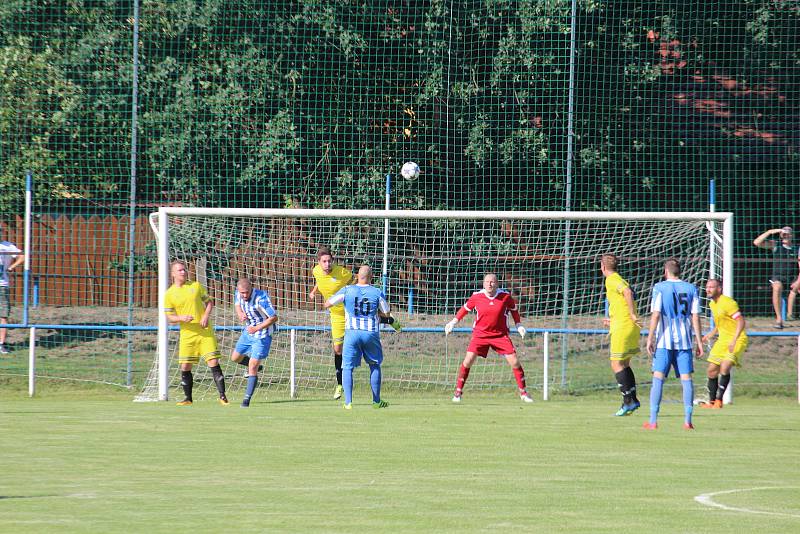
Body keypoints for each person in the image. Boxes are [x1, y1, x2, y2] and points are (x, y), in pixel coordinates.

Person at [444, 273, 532, 403]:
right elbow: (464, 309)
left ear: (497, 284)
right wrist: (452, 322)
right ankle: (458, 393)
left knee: (514, 361)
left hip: (500, 335)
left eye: (492, 282)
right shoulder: (477, 296)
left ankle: (523, 393)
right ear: (483, 284)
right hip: (480, 335)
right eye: (487, 282)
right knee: (468, 361)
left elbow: (514, 310)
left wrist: (519, 325)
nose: (490, 284)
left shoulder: (505, 297)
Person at [324, 265, 396, 409]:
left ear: (357, 276)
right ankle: (376, 401)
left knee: (347, 368)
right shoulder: (377, 292)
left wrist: (345, 305)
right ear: (371, 277)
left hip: (352, 332)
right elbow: (387, 313)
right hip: (370, 333)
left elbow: (328, 303)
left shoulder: (347, 290)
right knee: (374, 365)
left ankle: (348, 402)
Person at [644, 259, 703, 430]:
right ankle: (687, 421)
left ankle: (653, 421)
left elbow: (655, 315)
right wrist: (699, 341)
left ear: (666, 271)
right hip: (685, 341)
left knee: (658, 378)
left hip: (664, 341)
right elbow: (695, 317)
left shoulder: (659, 287)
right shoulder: (692, 289)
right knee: (686, 379)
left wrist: (649, 338)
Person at [163, 261, 228, 406]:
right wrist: (181, 318)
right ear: (173, 274)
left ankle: (223, 396)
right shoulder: (169, 294)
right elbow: (170, 316)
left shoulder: (195, 286)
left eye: (184, 269)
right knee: (185, 366)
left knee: (213, 362)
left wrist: (205, 316)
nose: (183, 272)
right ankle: (188, 399)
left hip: (204, 332)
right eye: (179, 270)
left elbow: (209, 302)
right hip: (187, 334)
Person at [600, 254, 642, 416]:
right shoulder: (619, 278)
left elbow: (627, 293)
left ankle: (628, 401)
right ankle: (632, 399)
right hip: (627, 325)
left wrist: (631, 314)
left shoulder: (611, 279)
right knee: (624, 363)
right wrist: (613, 320)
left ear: (603, 267)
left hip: (624, 325)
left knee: (616, 364)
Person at [309, 246, 353, 400]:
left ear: (333, 261)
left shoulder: (342, 272)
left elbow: (354, 283)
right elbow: (320, 281)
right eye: (324, 261)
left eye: (329, 261)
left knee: (357, 345)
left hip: (350, 314)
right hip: (336, 316)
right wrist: (314, 291)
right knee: (338, 349)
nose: (327, 264)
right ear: (319, 263)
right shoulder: (316, 271)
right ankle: (340, 384)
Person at [699, 278, 748, 409]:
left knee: (725, 366)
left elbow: (741, 321)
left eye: (711, 287)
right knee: (711, 370)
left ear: (719, 289)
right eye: (707, 287)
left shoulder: (728, 302)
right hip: (723, 340)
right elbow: (720, 323)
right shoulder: (712, 304)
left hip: (737, 339)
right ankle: (712, 402)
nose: (708, 289)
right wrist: (711, 333)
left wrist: (734, 340)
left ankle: (719, 400)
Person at [231, 278, 278, 408]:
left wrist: (256, 328)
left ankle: (246, 400)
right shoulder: (238, 294)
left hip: (262, 335)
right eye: (242, 293)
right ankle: (257, 367)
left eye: (247, 293)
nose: (244, 295)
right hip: (248, 332)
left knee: (252, 366)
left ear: (251, 289)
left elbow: (274, 317)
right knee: (235, 358)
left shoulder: (261, 299)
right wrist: (240, 313)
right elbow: (237, 304)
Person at [753, 226, 800, 328]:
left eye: (789, 233)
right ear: (781, 235)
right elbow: (757, 242)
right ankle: (779, 319)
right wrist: (770, 232)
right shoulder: (776, 245)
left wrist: (798, 281)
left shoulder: (797, 248)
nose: (786, 235)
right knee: (777, 287)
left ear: (792, 235)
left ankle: (790, 314)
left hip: (793, 278)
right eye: (784, 234)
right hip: (778, 277)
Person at [0, 237, 24, 354]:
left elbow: (22, 256)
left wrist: (10, 267)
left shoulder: (8, 246)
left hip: (2, 285)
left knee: (3, 316)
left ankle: (1, 344)